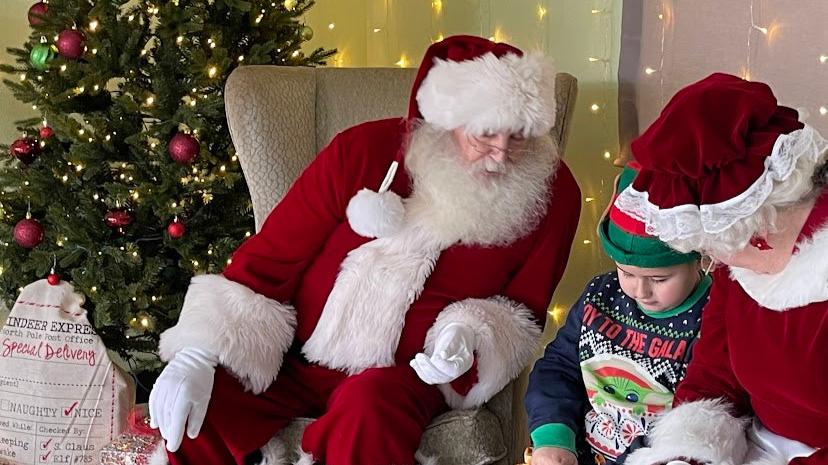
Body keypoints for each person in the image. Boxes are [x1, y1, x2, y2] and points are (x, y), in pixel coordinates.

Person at [147, 35, 582, 465]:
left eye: (520, 135)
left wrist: (471, 335)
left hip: (406, 378)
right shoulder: (360, 151)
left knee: (369, 409)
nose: (503, 153)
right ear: (450, 119)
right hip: (294, 363)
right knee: (201, 405)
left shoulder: (553, 195)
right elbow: (271, 258)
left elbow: (522, 311)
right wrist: (200, 352)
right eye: (487, 134)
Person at [612, 73, 828, 465]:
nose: (710, 259)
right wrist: (687, 454)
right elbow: (714, 376)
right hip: (759, 444)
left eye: (707, 245)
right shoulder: (738, 270)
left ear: (755, 230)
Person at [525, 164, 710, 465]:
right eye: (626, 273)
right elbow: (559, 367)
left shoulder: (713, 317)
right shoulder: (601, 294)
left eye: (659, 279)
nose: (639, 290)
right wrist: (553, 437)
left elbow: (705, 415)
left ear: (701, 257)